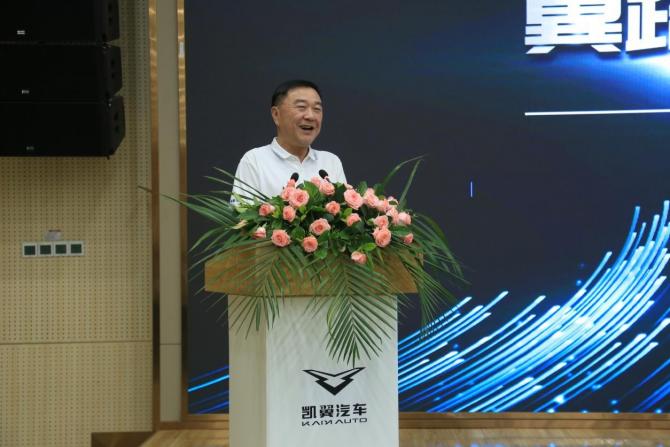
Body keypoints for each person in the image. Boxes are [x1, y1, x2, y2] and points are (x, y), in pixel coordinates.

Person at [232, 80, 346, 201]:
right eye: (301, 107)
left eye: (317, 109)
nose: (311, 116)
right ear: (276, 115)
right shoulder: (255, 161)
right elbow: (241, 212)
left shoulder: (331, 162)